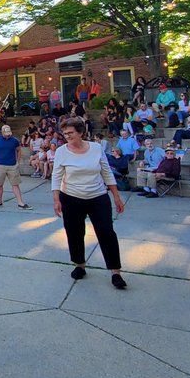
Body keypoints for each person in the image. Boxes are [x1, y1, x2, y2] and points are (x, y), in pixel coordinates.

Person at [51, 117, 126, 288]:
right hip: (70, 197)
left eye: (70, 133)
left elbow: (107, 173)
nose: (67, 136)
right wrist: (56, 199)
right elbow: (56, 176)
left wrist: (116, 196)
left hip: (98, 196)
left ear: (80, 132)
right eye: (65, 133)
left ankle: (115, 272)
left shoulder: (96, 148)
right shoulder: (62, 151)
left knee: (106, 232)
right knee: (75, 232)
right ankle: (80, 265)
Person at [0, 124, 30, 209]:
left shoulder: (14, 140)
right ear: (2, 132)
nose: (8, 135)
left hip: (12, 166)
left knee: (15, 184)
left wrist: (18, 162)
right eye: (6, 133)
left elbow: (19, 151)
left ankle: (20, 203)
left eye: (9, 133)